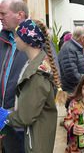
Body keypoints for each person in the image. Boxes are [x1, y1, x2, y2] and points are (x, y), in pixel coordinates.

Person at [0, 19, 62, 153]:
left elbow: (25, 117)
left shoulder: (37, 74)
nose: (14, 40)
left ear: (28, 40)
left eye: (18, 36)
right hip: (33, 135)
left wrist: (4, 116)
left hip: (35, 141)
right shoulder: (33, 64)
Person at [0, 0, 29, 153]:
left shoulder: (39, 42)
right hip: (5, 121)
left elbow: (49, 87)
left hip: (27, 125)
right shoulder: (2, 41)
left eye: (3, 13)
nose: (0, 17)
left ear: (20, 15)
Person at [58, 26, 84, 95]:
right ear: (82, 38)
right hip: (72, 91)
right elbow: (72, 76)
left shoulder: (80, 48)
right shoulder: (69, 50)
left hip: (78, 88)